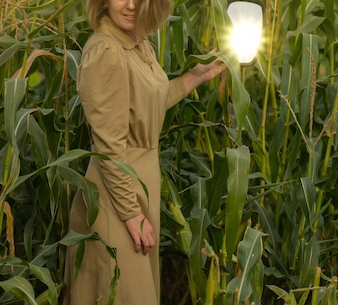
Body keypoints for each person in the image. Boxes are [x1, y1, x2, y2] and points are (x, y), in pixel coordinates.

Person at [62, 0, 226, 304]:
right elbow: (110, 147)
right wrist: (131, 213)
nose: (131, 5)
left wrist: (195, 77)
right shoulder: (107, 52)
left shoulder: (138, 43)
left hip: (139, 189)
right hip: (115, 201)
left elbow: (145, 107)